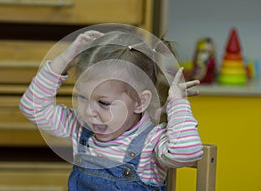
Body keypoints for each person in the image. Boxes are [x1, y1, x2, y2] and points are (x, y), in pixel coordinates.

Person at [19, 30, 203, 191]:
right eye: (82, 98)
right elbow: (32, 107)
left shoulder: (151, 141)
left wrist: (178, 104)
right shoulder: (80, 128)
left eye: (104, 103)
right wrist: (65, 59)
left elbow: (187, 153)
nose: (89, 112)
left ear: (139, 102)